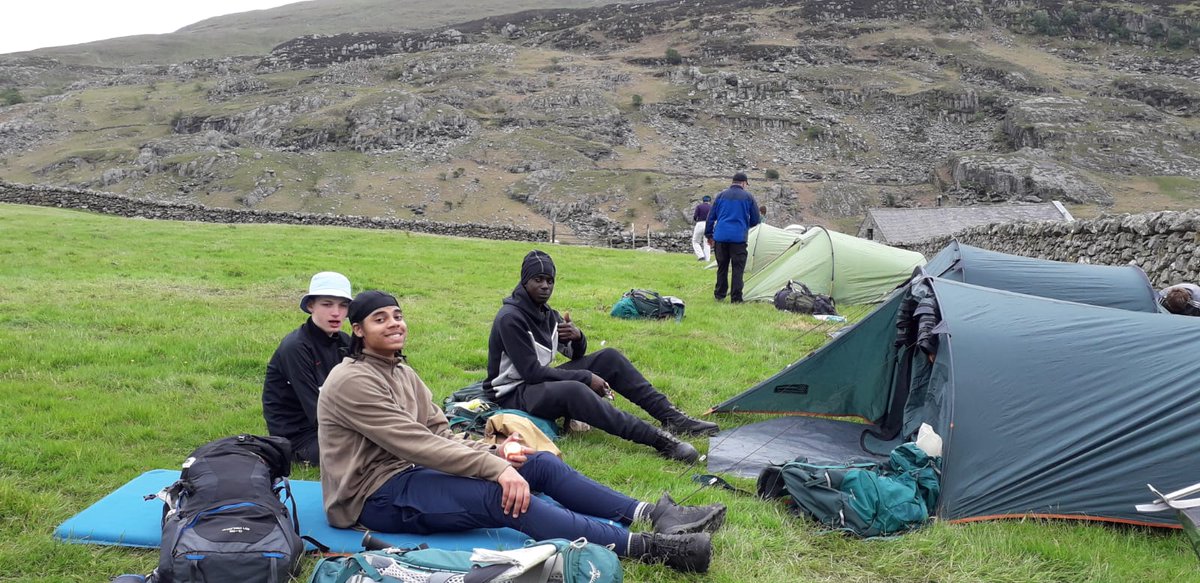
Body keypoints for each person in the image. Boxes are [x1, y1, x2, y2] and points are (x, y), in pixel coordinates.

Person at [318, 291, 724, 573]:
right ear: (358, 330)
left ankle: (653, 515)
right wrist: (495, 469)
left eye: (398, 315)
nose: (394, 324)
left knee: (539, 463)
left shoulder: (402, 371)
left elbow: (440, 432)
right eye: (380, 319)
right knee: (506, 497)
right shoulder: (352, 381)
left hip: (412, 470)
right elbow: (416, 443)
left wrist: (496, 450)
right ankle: (648, 548)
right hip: (373, 495)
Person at [484, 250, 719, 463]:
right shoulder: (510, 318)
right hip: (512, 393)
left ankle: (671, 417)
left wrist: (577, 337)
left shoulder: (546, 314)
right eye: (538, 280)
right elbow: (531, 373)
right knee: (574, 390)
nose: (545, 286)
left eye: (550, 280)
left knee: (609, 357)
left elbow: (575, 354)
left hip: (535, 385)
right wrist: (585, 378)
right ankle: (659, 440)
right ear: (525, 281)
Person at [262, 271, 353, 466]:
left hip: (332, 426)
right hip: (300, 438)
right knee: (366, 450)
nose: (336, 312)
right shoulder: (295, 347)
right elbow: (317, 412)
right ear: (311, 306)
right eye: (327, 304)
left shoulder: (345, 342)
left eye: (343, 305)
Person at [706, 172, 761, 303]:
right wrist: (744, 225)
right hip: (738, 238)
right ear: (743, 183)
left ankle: (719, 295)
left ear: (733, 182)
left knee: (722, 267)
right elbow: (755, 219)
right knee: (738, 268)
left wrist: (709, 235)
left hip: (720, 237)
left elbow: (710, 217)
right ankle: (736, 298)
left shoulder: (720, 195)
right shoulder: (748, 197)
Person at [691, 195, 713, 262]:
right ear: (709, 201)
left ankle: (701, 256)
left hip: (700, 224)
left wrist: (696, 220)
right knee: (707, 242)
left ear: (703, 200)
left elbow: (695, 216)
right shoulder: (711, 207)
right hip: (708, 224)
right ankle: (707, 259)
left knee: (695, 241)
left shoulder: (699, 206)